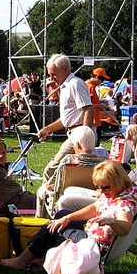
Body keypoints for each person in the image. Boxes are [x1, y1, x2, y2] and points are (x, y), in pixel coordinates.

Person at [1, 160, 137, 271]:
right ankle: (43, 259)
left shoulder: (125, 203)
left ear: (117, 181)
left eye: (105, 187)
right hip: (93, 233)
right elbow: (95, 207)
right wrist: (67, 218)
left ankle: (22, 261)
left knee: (53, 228)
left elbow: (126, 228)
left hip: (94, 246)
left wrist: (112, 222)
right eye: (99, 187)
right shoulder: (123, 191)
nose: (102, 191)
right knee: (61, 215)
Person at [37, 54, 94, 189]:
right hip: (74, 132)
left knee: (51, 170)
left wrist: (84, 134)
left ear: (65, 69)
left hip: (78, 133)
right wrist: (47, 130)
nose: (51, 78)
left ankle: (52, 201)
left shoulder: (75, 84)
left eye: (53, 74)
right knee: (67, 172)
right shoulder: (65, 87)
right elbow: (67, 119)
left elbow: (88, 109)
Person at [0, 139, 35, 209]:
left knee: (44, 198)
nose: (1, 156)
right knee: (43, 200)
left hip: (21, 197)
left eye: (3, 153)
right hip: (14, 201)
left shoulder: (3, 165)